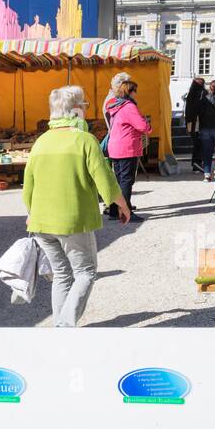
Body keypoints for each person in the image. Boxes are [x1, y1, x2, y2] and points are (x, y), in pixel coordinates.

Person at [23, 85, 131, 327]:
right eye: (83, 105)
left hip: (41, 222)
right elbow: (104, 178)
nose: (85, 109)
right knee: (85, 273)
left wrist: (31, 213)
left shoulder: (40, 142)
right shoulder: (84, 140)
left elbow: (28, 185)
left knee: (61, 275)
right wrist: (122, 205)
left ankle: (60, 326)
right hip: (73, 220)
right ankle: (65, 326)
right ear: (74, 111)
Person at [103, 72, 150, 222]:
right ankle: (126, 211)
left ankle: (114, 211)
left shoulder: (114, 106)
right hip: (127, 147)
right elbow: (143, 126)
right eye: (134, 91)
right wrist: (147, 123)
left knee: (117, 180)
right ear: (129, 91)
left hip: (115, 146)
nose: (135, 94)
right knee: (126, 181)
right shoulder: (128, 106)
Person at [184, 77, 206, 172]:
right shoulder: (202, 93)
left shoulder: (191, 94)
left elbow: (188, 111)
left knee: (197, 143)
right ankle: (197, 162)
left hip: (191, 122)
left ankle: (196, 163)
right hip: (198, 122)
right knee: (199, 143)